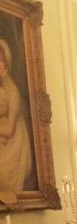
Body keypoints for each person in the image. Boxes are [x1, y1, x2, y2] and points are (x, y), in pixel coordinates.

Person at [0, 39, 33, 191]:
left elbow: (9, 130)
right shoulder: (3, 88)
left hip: (11, 153)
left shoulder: (12, 91)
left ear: (5, 63)